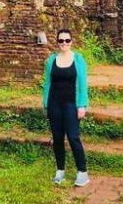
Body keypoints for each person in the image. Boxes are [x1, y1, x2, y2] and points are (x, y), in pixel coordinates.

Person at [41, 28, 90, 187]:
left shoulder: (78, 59)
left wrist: (82, 105)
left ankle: (82, 172)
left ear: (71, 42)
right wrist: (46, 104)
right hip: (55, 104)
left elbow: (83, 83)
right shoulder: (51, 61)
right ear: (57, 42)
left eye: (67, 40)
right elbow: (48, 83)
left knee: (73, 137)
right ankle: (60, 171)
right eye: (61, 41)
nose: (64, 43)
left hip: (71, 104)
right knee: (57, 138)